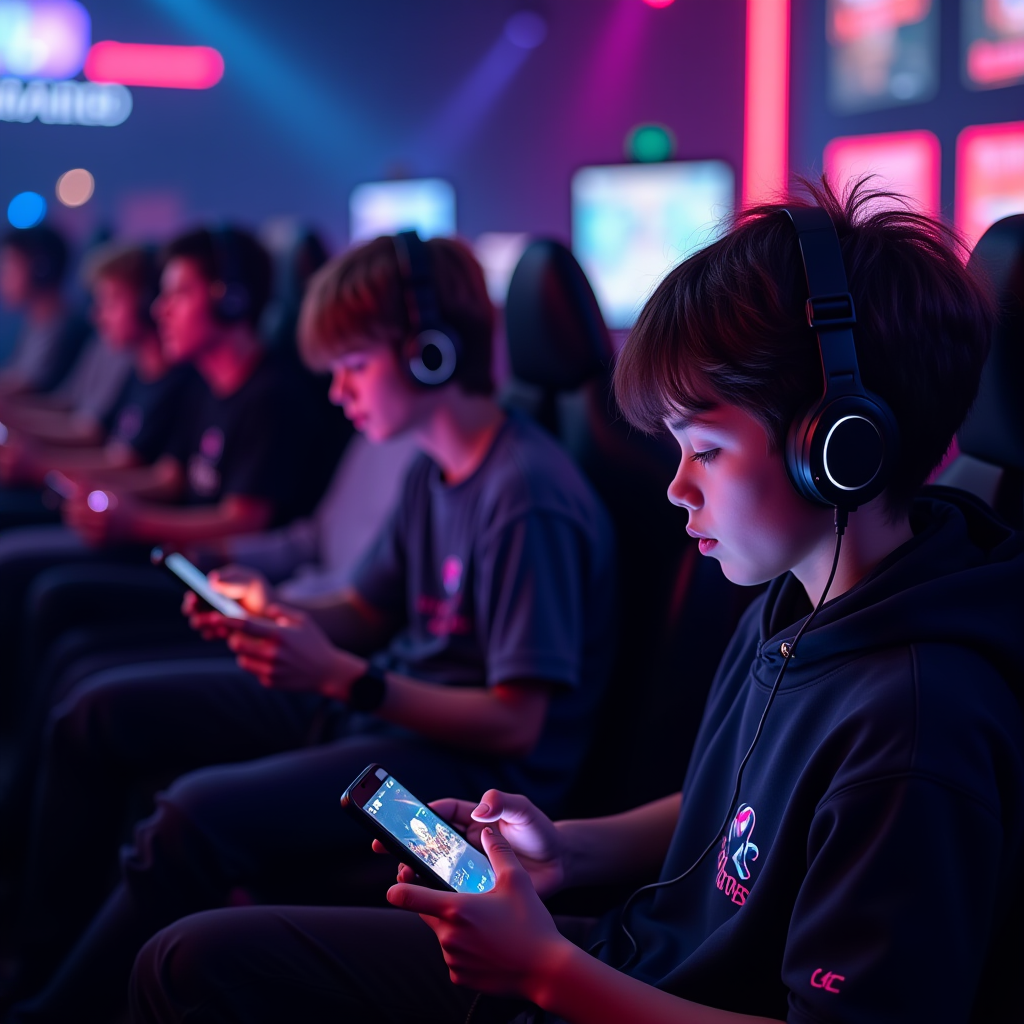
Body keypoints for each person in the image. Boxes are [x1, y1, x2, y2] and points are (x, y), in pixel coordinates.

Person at [129, 180, 1023, 1024]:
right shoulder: (800, 600)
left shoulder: (917, 725)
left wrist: (546, 972)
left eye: (706, 451)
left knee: (192, 964)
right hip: (621, 960)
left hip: (604, 984)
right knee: (193, 958)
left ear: (840, 449)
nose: (676, 487)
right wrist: (570, 848)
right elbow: (737, 810)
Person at [3, 232, 616, 1023]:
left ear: (429, 355)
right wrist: (268, 609)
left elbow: (515, 722)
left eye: (352, 366)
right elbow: (363, 610)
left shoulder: (526, 496)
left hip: (470, 795)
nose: (337, 391)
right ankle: (37, 950)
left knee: (193, 815)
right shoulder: (434, 471)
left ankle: (51, 1012)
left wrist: (343, 678)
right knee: (107, 712)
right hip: (383, 712)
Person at [0, 226, 88, 401]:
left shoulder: (65, 327)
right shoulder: (37, 321)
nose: (4, 279)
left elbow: (27, 386)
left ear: (41, 269)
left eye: (10, 269)